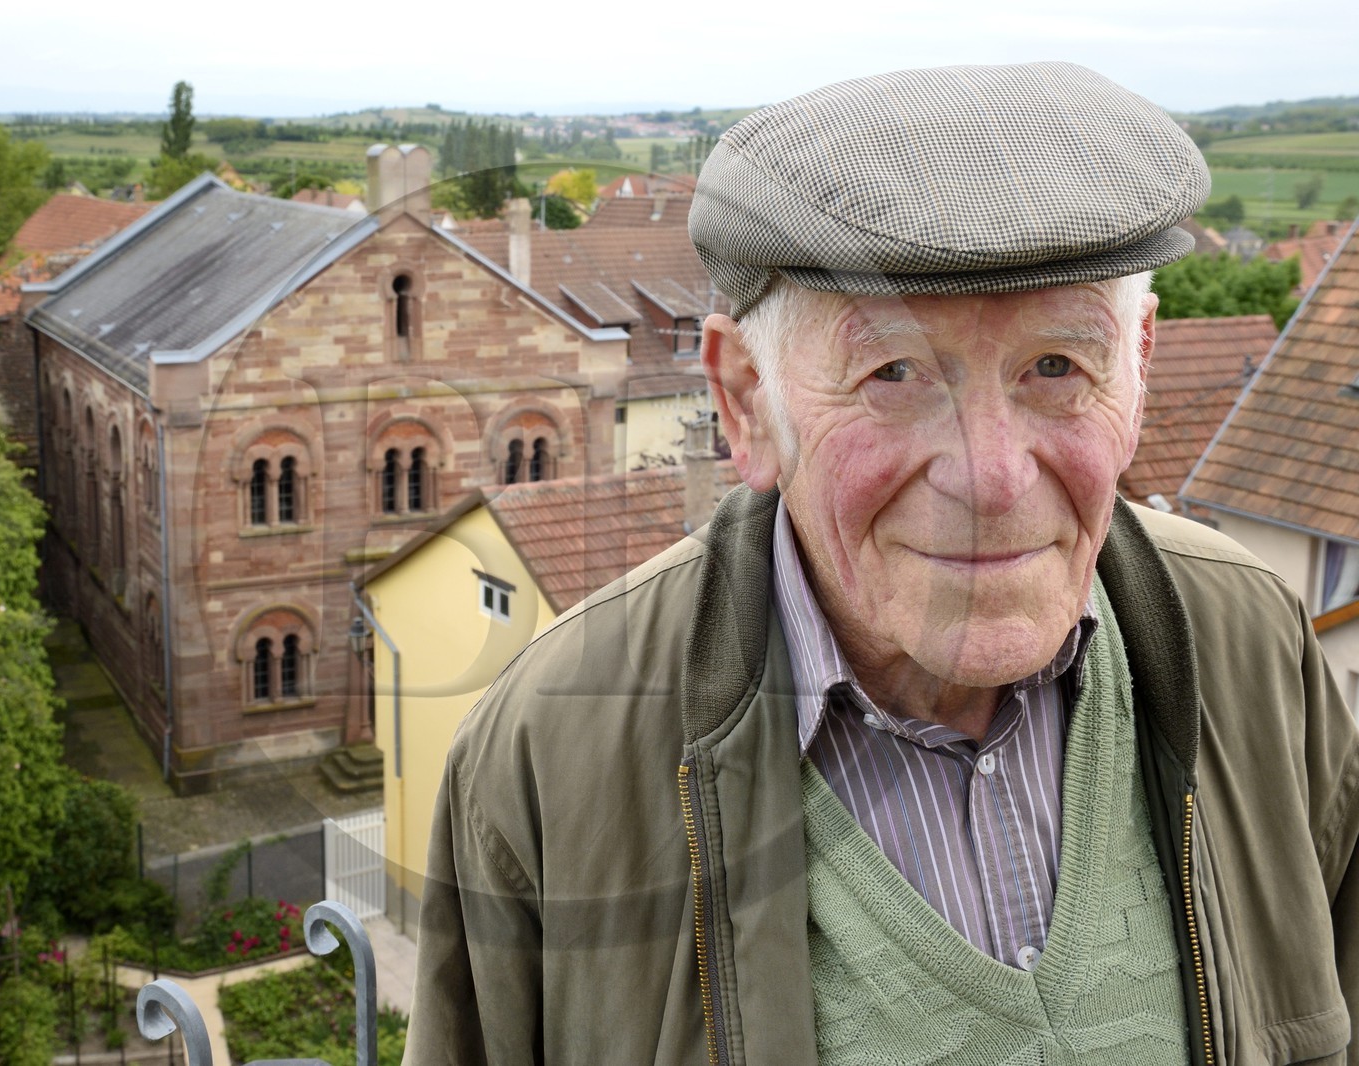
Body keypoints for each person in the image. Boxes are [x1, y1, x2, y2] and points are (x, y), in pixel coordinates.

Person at [404, 63, 1359, 1065]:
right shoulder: (545, 760)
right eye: (893, 374)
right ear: (745, 402)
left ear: (1141, 368)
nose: (991, 476)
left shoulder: (1250, 641)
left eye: (1056, 368)